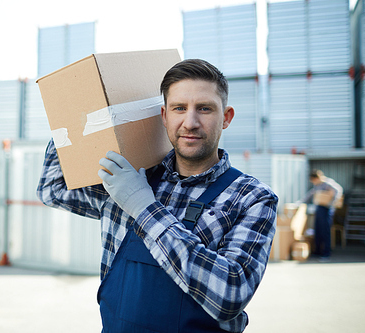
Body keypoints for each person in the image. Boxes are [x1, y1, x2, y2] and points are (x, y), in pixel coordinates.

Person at [37, 59, 278, 333]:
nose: (190, 122)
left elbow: (230, 294)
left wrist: (142, 207)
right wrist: (75, 116)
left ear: (226, 117)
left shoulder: (251, 198)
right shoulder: (130, 177)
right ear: (164, 116)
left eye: (204, 109)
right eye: (179, 108)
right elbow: (53, 189)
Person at [301, 169, 343, 261]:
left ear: (317, 178)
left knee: (325, 232)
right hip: (319, 209)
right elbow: (310, 194)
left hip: (326, 209)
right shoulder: (317, 186)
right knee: (318, 231)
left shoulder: (328, 183)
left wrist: (332, 202)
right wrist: (300, 202)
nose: (313, 182)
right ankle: (318, 252)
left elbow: (339, 190)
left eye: (313, 180)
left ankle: (326, 253)